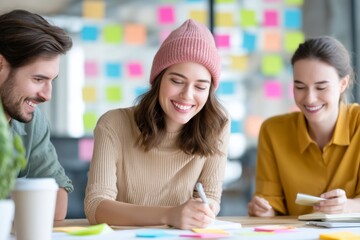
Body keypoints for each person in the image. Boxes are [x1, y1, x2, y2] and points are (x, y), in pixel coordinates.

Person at [84, 19, 230, 229]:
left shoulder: (217, 127)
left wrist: (203, 213)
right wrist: (170, 215)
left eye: (200, 87)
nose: (187, 95)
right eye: (177, 81)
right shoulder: (113, 124)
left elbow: (211, 197)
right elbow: (96, 206)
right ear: (158, 79)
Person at [248, 36, 360, 217]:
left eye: (321, 87)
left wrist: (349, 206)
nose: (309, 99)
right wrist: (264, 210)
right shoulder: (273, 131)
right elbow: (271, 206)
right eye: (300, 87)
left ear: (343, 84)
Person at [0, 9, 73, 220]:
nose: (47, 95)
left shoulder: (32, 121)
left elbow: (57, 204)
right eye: (38, 79)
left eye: (52, 80)